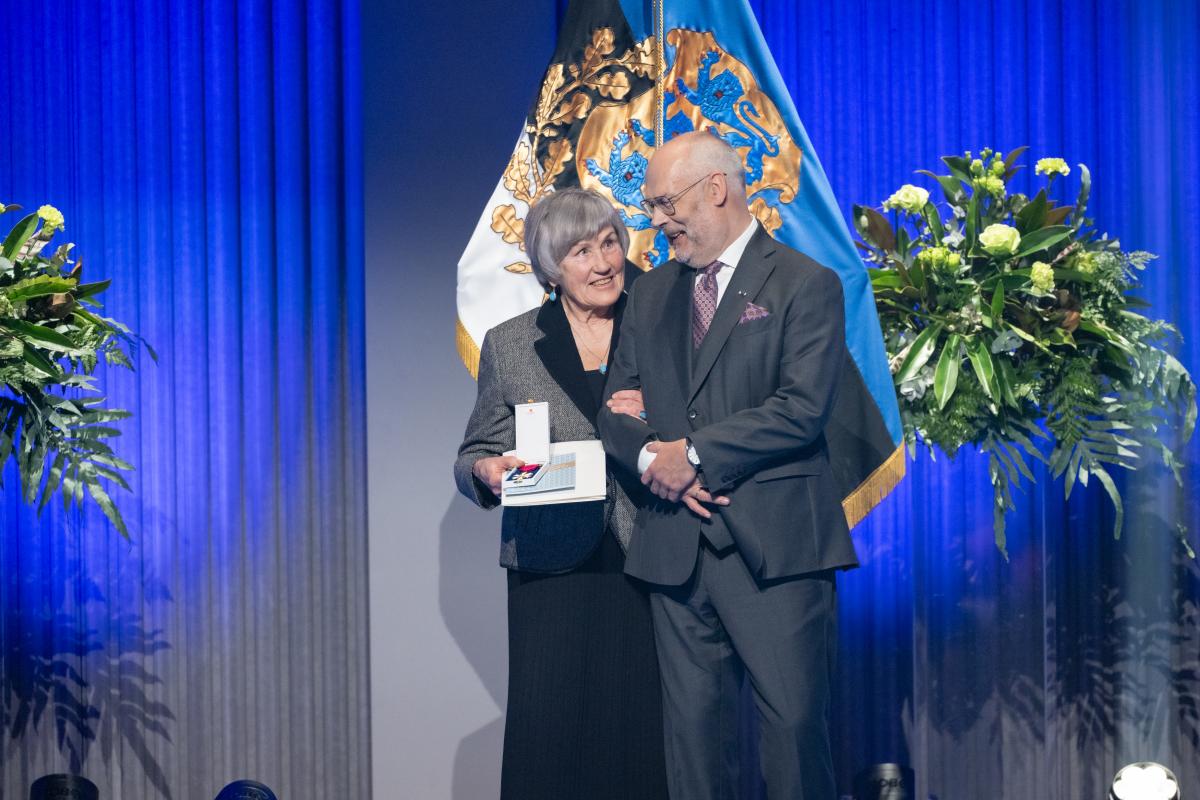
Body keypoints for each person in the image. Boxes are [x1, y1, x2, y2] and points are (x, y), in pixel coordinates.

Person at [598, 131, 858, 799]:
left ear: (716, 188)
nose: (657, 221)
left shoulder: (806, 283)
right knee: (692, 750)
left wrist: (691, 455)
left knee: (794, 736)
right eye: (651, 207)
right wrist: (655, 458)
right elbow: (615, 410)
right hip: (676, 549)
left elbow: (800, 408)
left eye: (665, 203)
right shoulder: (651, 294)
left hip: (775, 549)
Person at [453, 188, 669, 800]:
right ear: (550, 268)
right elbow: (474, 451)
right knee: (550, 734)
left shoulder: (661, 327)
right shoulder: (510, 343)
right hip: (550, 565)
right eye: (582, 252)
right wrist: (486, 471)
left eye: (610, 243)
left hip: (649, 551)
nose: (604, 263)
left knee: (641, 731)